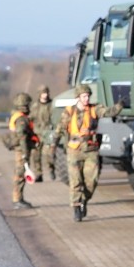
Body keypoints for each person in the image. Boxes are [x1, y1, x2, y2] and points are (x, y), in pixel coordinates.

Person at [50, 84, 124, 222]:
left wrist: (119, 106)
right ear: (78, 97)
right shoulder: (69, 111)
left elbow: (109, 112)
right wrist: (53, 144)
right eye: (84, 96)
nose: (86, 98)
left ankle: (84, 199)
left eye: (88, 96)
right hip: (74, 149)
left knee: (92, 181)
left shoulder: (94, 109)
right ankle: (76, 207)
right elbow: (60, 127)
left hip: (91, 150)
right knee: (75, 180)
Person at [8, 92, 39, 210]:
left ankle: (19, 198)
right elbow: (22, 138)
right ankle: (17, 199)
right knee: (20, 175)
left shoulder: (17, 116)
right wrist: (25, 154)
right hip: (21, 150)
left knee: (19, 174)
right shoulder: (21, 119)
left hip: (21, 149)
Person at [29, 85, 54, 182]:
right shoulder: (35, 106)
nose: (45, 95)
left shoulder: (51, 105)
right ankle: (38, 174)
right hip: (37, 133)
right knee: (36, 155)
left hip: (48, 132)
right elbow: (30, 118)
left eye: (46, 93)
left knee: (49, 155)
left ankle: (51, 169)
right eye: (43, 93)